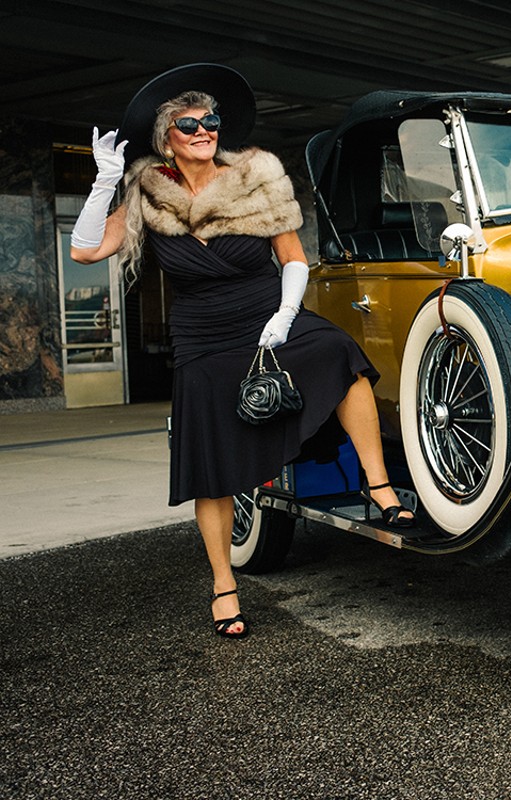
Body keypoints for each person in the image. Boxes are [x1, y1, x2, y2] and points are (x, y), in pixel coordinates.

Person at [70, 63, 414, 640]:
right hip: (202, 335)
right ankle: (223, 586)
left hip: (265, 313)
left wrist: (286, 314)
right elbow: (84, 251)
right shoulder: (147, 192)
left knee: (341, 357)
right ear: (166, 138)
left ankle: (378, 488)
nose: (205, 130)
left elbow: (294, 256)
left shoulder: (256, 176)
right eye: (190, 123)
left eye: (212, 121)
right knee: (212, 472)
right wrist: (106, 181)